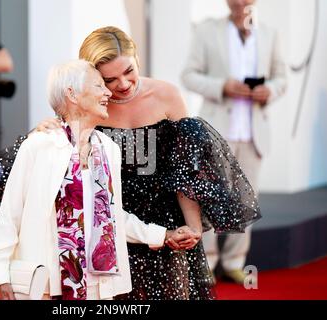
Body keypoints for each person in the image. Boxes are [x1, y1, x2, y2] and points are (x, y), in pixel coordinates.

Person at [33, 26, 261, 300]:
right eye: (110, 79)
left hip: (166, 221)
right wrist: (51, 128)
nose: (124, 84)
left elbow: (184, 171)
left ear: (136, 59)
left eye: (129, 71)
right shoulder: (89, 105)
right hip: (110, 222)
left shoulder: (167, 95)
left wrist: (193, 227)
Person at [0, 60, 198, 300]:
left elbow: (111, 216)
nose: (108, 92)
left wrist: (161, 235)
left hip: (98, 285)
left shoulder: (108, 150)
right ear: (72, 94)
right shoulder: (38, 146)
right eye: (99, 86)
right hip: (44, 285)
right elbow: (10, 215)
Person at [181, 0, 286, 284]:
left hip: (254, 133)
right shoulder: (206, 30)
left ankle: (235, 262)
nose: (241, 3)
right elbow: (188, 76)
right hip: (217, 130)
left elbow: (282, 78)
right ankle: (208, 263)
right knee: (210, 199)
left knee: (246, 201)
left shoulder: (270, 34)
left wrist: (270, 90)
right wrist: (222, 86)